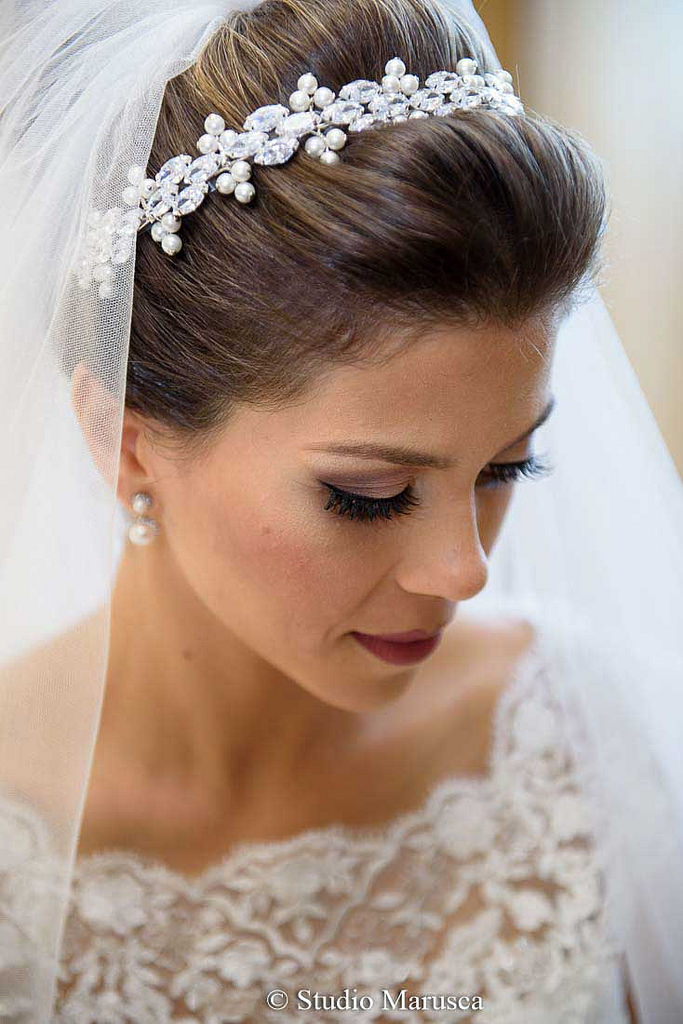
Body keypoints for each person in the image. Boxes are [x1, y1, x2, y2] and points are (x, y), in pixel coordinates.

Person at [0, 1, 681, 1022]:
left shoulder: (603, 755)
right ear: (124, 440)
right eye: (369, 496)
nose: (462, 571)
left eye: (508, 467)